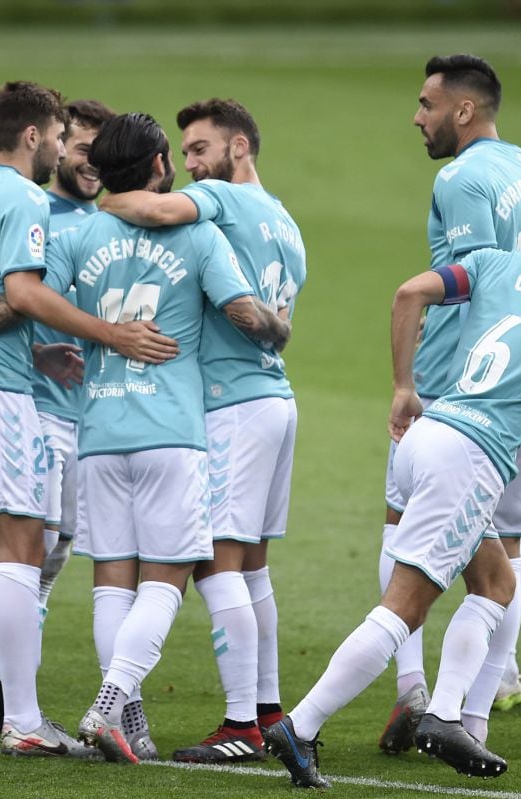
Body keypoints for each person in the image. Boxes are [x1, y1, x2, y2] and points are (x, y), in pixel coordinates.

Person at [267, 174, 521, 787]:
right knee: (404, 609)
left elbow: (410, 291)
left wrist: (402, 385)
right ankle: (301, 726)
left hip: (428, 433)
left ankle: (445, 716)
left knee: (495, 583)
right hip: (469, 458)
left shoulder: (496, 262)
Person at [0, 81, 178, 756]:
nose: (61, 145)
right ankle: (24, 721)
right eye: (57, 133)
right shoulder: (26, 197)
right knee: (25, 548)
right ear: (32, 136)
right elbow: (21, 292)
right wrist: (109, 335)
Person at [31, 111, 291, 763]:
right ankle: (109, 702)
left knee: (112, 583)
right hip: (171, 430)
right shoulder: (198, 234)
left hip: (99, 428)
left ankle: (128, 720)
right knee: (165, 582)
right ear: (157, 167)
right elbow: (239, 309)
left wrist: (64, 349)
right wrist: (275, 325)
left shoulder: (81, 232)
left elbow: (32, 306)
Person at [98, 98, 305, 763]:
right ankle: (270, 709)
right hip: (274, 398)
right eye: (183, 153)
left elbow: (154, 210)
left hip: (231, 404)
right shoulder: (288, 222)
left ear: (239, 147)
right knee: (253, 566)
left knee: (215, 562)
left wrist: (94, 204)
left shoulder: (221, 199)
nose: (190, 164)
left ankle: (241, 725)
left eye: (200, 149)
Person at [377, 54, 521, 754]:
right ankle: (474, 715)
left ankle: (412, 693)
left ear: (464, 110)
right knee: (510, 555)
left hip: (461, 390)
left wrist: (415, 387)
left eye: (427, 104)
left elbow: (477, 285)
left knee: (403, 526)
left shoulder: (460, 176)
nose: (417, 116)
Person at [0, 98, 117, 737]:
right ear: (55, 146)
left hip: (83, 416)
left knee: (48, 558)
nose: (90, 162)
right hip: (35, 409)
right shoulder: (38, 213)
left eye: (99, 153)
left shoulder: (104, 216)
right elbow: (11, 303)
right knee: (20, 555)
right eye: (79, 148)